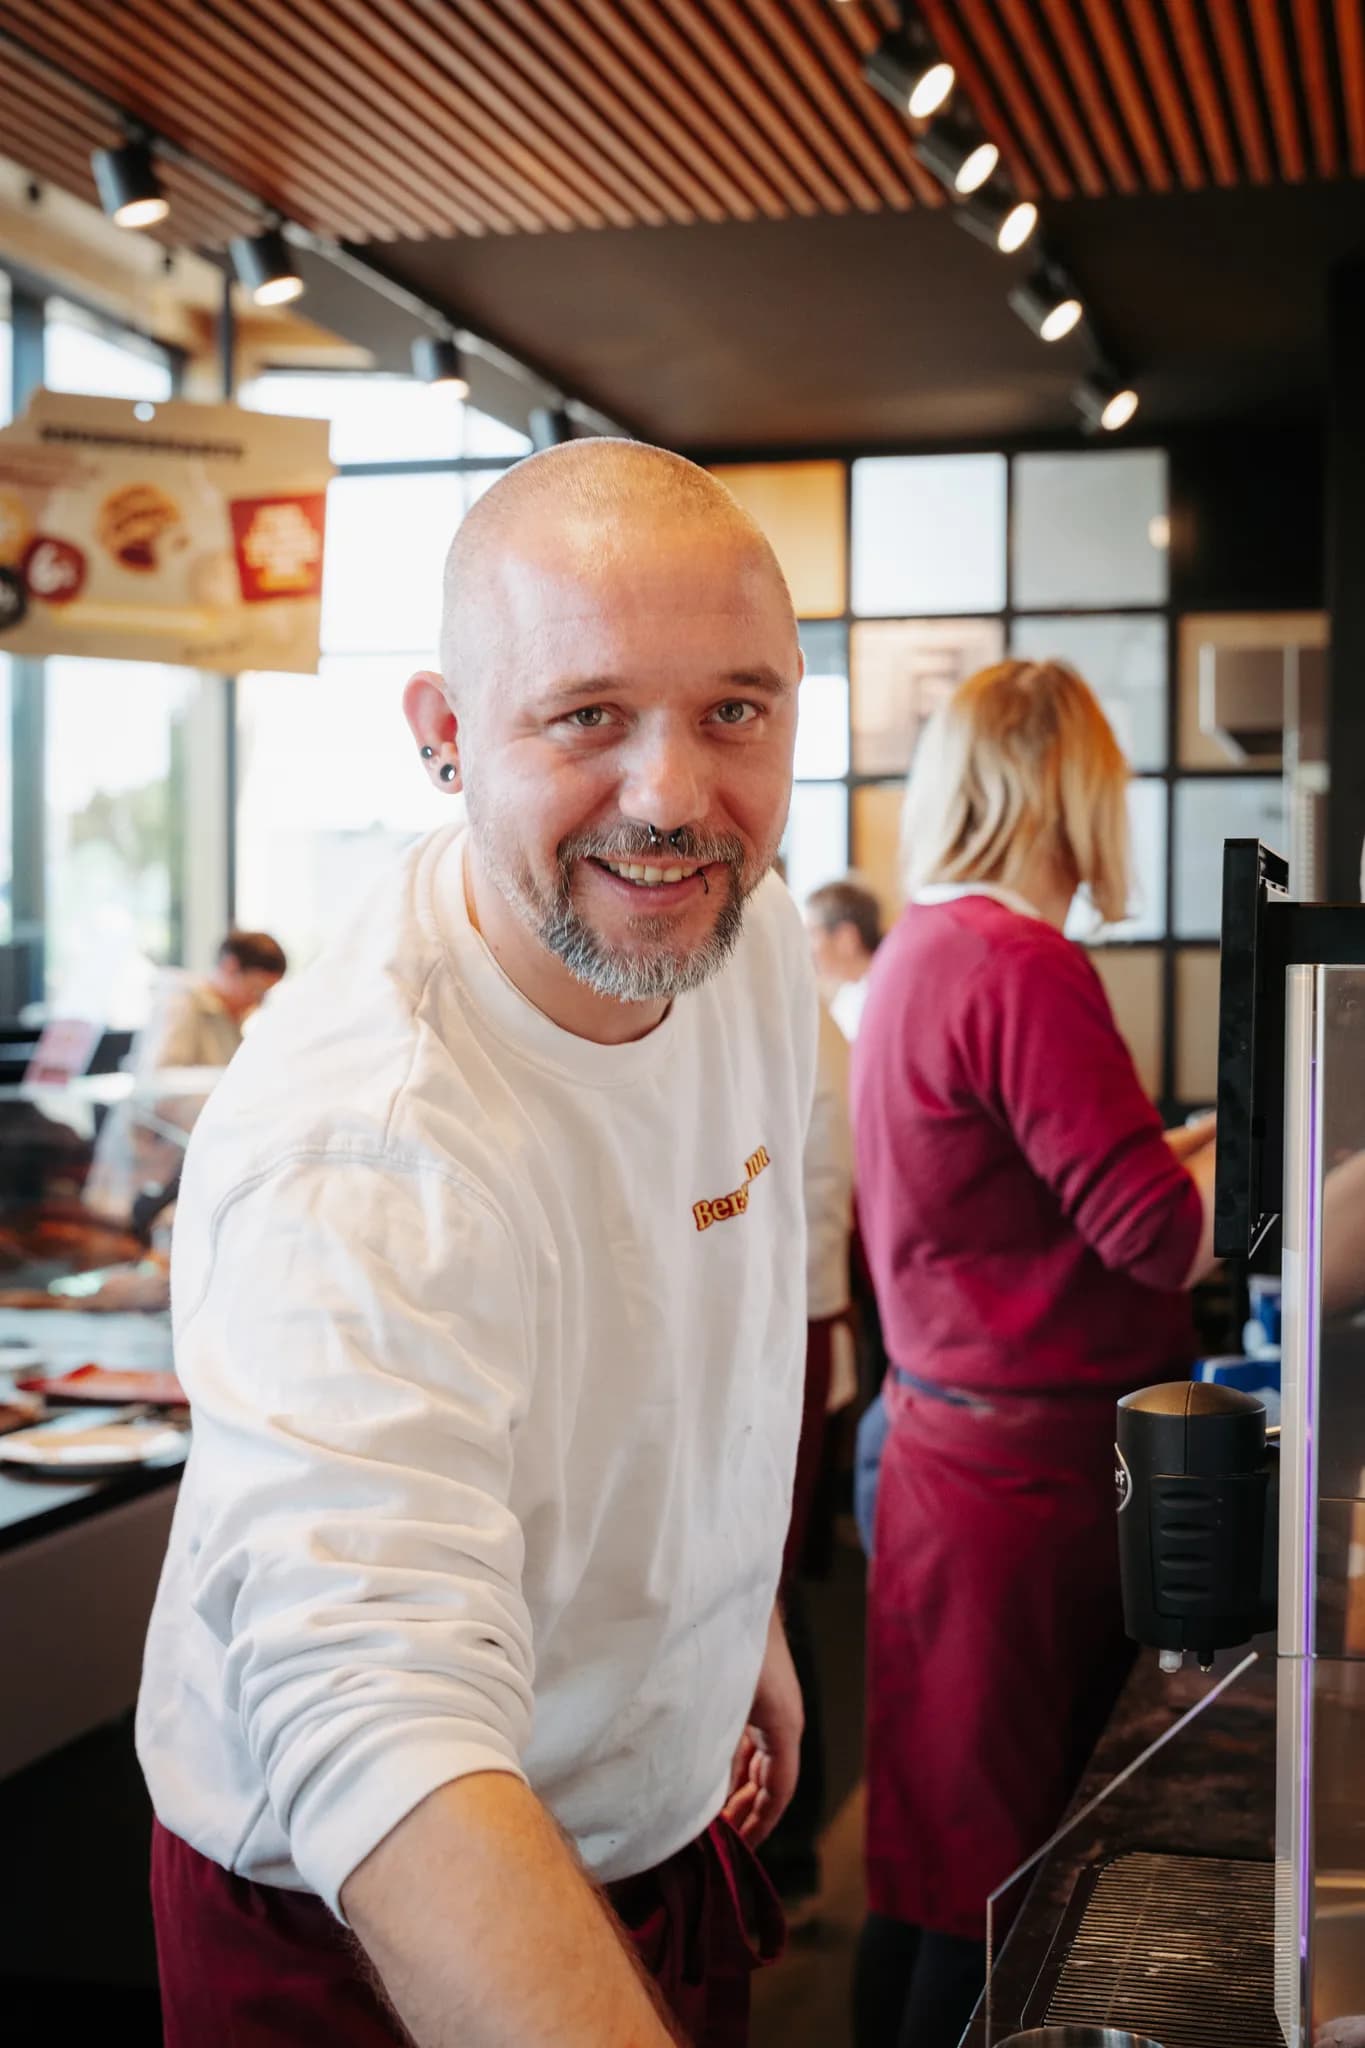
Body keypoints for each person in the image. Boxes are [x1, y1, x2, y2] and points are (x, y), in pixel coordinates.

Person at [137, 440, 820, 2048]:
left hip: (652, 1826)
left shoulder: (746, 938)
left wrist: (738, 1627)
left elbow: (706, 1324)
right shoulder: (361, 1142)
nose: (672, 798)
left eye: (734, 710)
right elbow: (378, 1721)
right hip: (365, 1910)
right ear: (444, 736)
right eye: (587, 716)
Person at [850, 659, 1218, 2048]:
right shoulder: (1021, 965)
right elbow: (1158, 1241)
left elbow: (1010, 1197)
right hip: (1022, 1492)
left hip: (945, 1455)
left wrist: (1162, 1159)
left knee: (933, 1866)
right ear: (1072, 790)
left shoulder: (924, 946)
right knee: (1001, 1887)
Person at [130, 928, 287, 1077]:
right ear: (230, 967)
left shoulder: (232, 1016)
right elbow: (161, 1079)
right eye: (256, 989)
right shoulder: (182, 1003)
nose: (258, 1001)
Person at [805, 876, 882, 1041]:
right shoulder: (847, 995)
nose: (808, 947)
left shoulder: (877, 999)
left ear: (846, 938)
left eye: (813, 933)